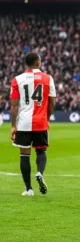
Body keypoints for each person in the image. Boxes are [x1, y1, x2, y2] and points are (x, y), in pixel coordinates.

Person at [9, 52, 56, 196]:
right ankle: (40, 173)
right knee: (41, 151)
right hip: (40, 122)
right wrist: (47, 118)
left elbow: (14, 105)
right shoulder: (48, 78)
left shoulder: (17, 80)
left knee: (24, 155)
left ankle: (28, 189)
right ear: (38, 62)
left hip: (23, 123)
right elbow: (52, 102)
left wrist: (13, 125)